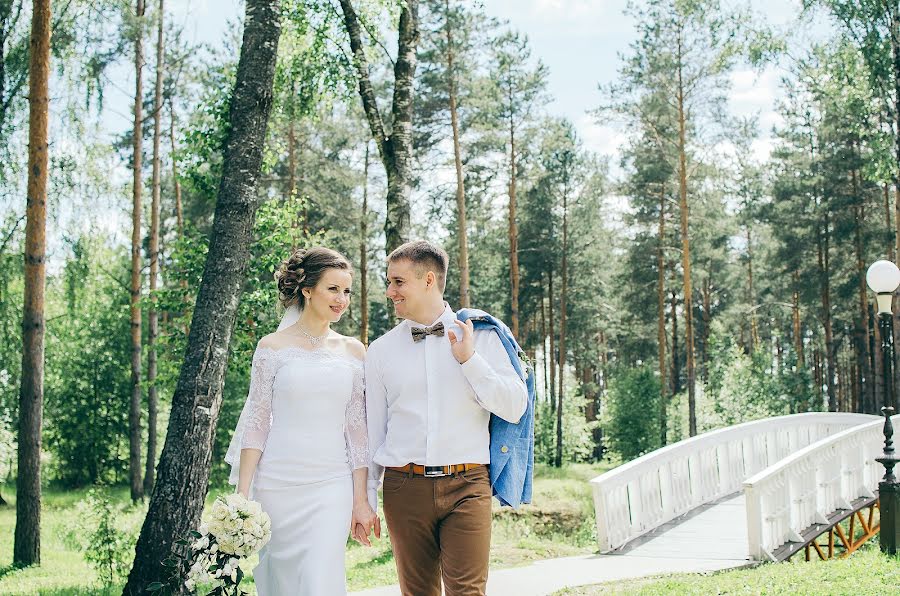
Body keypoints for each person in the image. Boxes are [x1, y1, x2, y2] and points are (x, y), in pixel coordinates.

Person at [364, 240, 529, 596]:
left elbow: (516, 406)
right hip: (403, 488)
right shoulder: (380, 351)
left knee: (468, 592)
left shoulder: (483, 336)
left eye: (397, 282)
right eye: (388, 282)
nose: (389, 291)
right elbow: (374, 432)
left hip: (468, 485)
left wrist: (470, 360)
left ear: (428, 280)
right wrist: (364, 500)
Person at [225, 246, 380, 596]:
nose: (342, 299)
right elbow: (257, 423)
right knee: (280, 582)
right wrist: (242, 495)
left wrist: (360, 500)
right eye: (333, 289)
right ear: (307, 290)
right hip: (276, 484)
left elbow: (358, 434)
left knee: (318, 580)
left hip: (331, 485)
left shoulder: (355, 351)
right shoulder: (272, 348)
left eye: (347, 291)